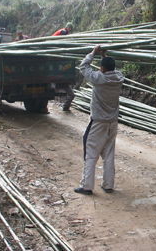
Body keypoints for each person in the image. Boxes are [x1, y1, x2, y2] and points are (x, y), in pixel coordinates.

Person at [74, 44, 124, 195]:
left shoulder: (99, 78)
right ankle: (108, 185)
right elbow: (111, 70)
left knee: (91, 154)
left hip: (97, 123)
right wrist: (104, 57)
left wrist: (93, 52)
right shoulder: (119, 78)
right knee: (108, 154)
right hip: (112, 123)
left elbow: (83, 67)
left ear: (102, 69)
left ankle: (87, 186)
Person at [52, 23, 75, 110]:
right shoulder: (63, 31)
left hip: (54, 47)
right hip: (53, 46)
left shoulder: (64, 32)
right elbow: (61, 42)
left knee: (71, 94)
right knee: (71, 94)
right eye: (70, 28)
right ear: (68, 27)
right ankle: (65, 107)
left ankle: (65, 107)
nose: (70, 30)